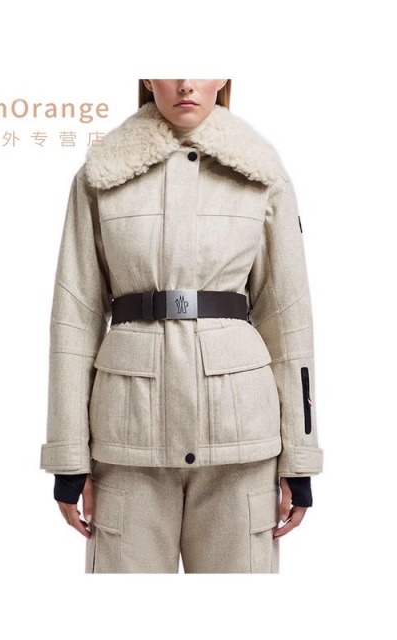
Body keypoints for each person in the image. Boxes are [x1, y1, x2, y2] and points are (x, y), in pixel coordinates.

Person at [39, 79, 323, 573]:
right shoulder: (101, 174)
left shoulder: (261, 174)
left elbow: (288, 320)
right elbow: (75, 317)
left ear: (224, 77)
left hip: (240, 440)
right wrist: (68, 455)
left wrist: (300, 457)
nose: (186, 83)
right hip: (129, 439)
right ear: (148, 78)